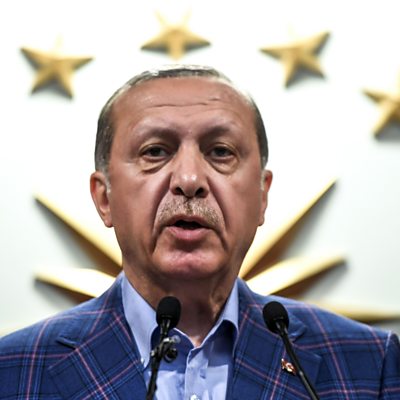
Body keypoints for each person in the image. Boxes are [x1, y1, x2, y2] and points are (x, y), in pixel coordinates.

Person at [0, 65, 399, 399]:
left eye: (221, 152)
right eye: (155, 151)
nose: (189, 180)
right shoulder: (13, 369)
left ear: (262, 196)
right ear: (104, 198)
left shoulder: (368, 363)